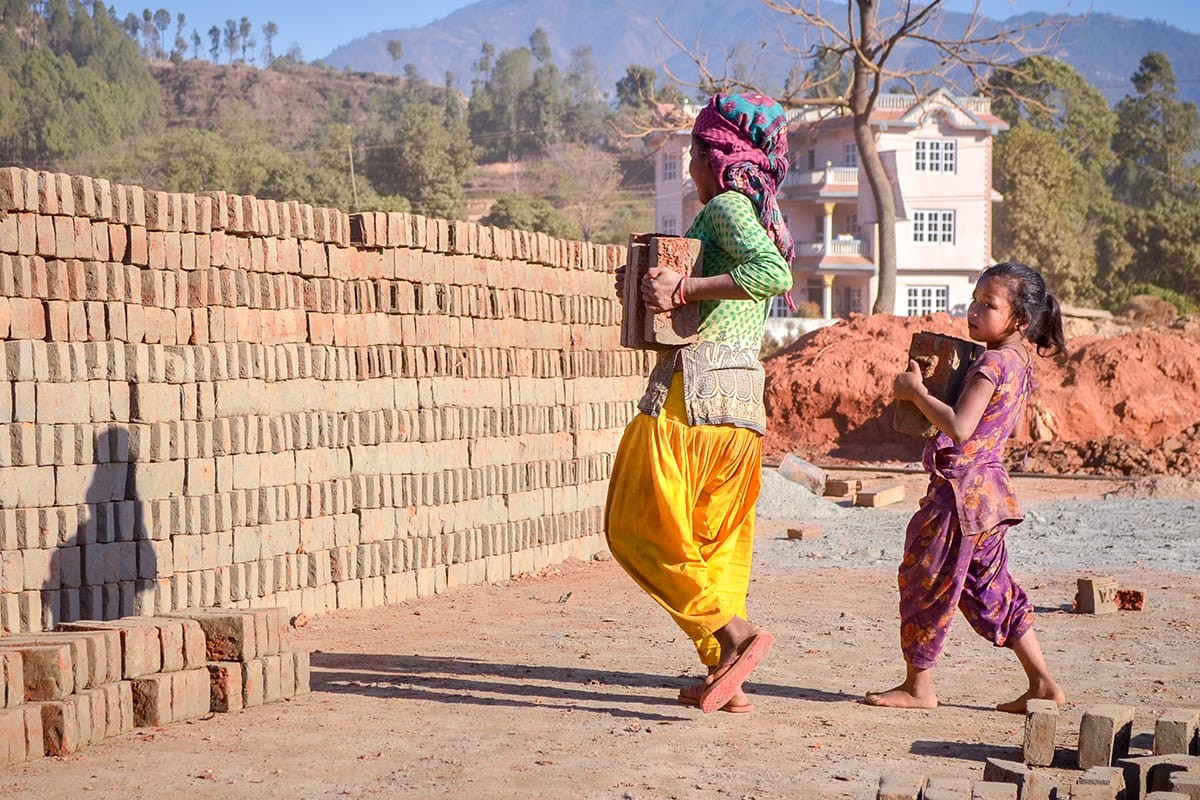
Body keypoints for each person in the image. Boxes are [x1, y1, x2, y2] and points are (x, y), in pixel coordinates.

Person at [606, 92, 794, 715]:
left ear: (718, 155)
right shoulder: (762, 214)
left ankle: (737, 637)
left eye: (694, 150)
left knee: (635, 526)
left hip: (693, 398)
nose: (688, 164)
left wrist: (682, 287)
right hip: (742, 412)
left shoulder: (727, 207)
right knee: (714, 545)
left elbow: (772, 275)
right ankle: (727, 674)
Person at [865, 261, 1068, 713]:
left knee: (924, 582)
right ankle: (1042, 683)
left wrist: (915, 392)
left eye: (987, 305)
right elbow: (1005, 431)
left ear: (1019, 319)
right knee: (991, 588)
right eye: (974, 301)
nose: (974, 312)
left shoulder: (990, 365)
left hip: (956, 499)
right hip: (990, 497)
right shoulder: (1018, 362)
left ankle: (919, 687)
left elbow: (959, 427)